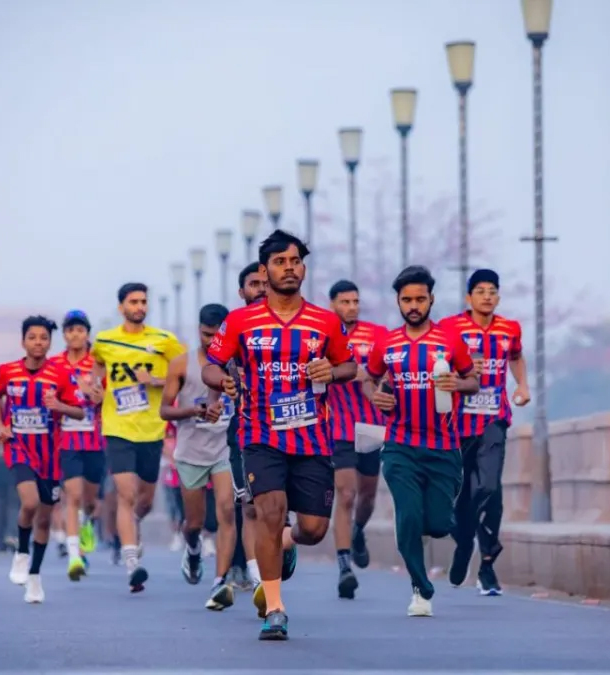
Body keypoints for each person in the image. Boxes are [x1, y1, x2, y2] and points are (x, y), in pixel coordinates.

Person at [202, 229, 356, 640]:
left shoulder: (325, 320)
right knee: (268, 512)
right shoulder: (241, 321)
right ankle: (275, 608)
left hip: (312, 438)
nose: (289, 268)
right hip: (260, 434)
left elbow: (349, 365)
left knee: (313, 529)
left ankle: (287, 541)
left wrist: (331, 370)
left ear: (303, 268)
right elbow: (211, 365)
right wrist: (223, 381)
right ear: (265, 270)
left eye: (295, 261)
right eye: (280, 262)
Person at [365, 265, 479, 616]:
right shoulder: (387, 343)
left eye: (419, 299)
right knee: (409, 517)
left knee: (439, 524)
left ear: (431, 299)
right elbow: (368, 378)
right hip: (400, 446)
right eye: (406, 300)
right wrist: (375, 396)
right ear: (398, 302)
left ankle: (462, 536)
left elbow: (473, 380)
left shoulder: (449, 340)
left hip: (443, 447)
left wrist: (457, 384)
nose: (413, 306)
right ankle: (420, 589)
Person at [90, 282, 187, 593]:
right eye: (133, 302)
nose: (139, 306)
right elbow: (96, 369)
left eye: (143, 301)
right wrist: (92, 387)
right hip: (118, 428)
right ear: (121, 307)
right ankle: (132, 561)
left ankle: (132, 526)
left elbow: (186, 373)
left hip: (152, 428)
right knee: (126, 493)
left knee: (143, 501)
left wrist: (156, 380)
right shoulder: (105, 341)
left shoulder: (164, 341)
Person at [441, 269, 530, 596]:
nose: (487, 296)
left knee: (490, 487)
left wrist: (522, 385)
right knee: (462, 492)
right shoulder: (451, 327)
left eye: (492, 291)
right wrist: (460, 370)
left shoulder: (509, 328)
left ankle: (487, 564)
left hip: (494, 418)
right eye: (480, 291)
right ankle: (465, 542)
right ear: (469, 297)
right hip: (458, 422)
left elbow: (516, 357)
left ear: (498, 296)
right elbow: (437, 363)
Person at [0, 315, 85, 603]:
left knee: (43, 520)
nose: (38, 343)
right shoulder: (8, 371)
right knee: (29, 503)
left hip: (50, 456)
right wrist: (0, 425)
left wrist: (58, 406)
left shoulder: (59, 374)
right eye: (32, 337)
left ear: (50, 342)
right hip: (19, 448)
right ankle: (21, 553)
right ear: (23, 341)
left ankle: (34, 576)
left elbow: (79, 411)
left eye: (44, 338)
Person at [161, 303, 239, 610]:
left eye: (218, 335)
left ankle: (220, 581)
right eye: (207, 335)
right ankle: (192, 550)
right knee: (194, 523)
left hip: (223, 450)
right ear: (198, 331)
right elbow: (164, 410)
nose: (212, 341)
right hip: (191, 452)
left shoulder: (237, 364)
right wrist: (194, 410)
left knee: (226, 512)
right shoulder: (181, 364)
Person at [324, 279, 387, 599]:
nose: (351, 307)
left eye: (355, 301)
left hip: (371, 426)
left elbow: (390, 370)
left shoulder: (377, 335)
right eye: (345, 302)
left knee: (367, 497)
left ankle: (359, 531)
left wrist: (373, 380)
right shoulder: (322, 337)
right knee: (345, 494)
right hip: (338, 427)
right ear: (333, 304)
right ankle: (344, 566)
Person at [48, 310, 106, 581]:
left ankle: (87, 523)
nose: (75, 335)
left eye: (80, 330)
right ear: (64, 335)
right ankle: (74, 556)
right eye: (70, 330)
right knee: (72, 496)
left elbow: (108, 398)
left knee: (90, 501)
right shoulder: (55, 365)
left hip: (95, 439)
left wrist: (95, 395)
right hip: (67, 440)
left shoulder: (98, 362)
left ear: (87, 334)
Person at [227, 262, 268, 591]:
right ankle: (257, 579)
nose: (261, 289)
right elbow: (212, 365)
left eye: (264, 283)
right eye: (254, 284)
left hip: (293, 431)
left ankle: (278, 553)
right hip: (246, 427)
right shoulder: (234, 326)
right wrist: (223, 383)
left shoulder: (298, 325)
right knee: (250, 505)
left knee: (281, 510)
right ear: (242, 292)